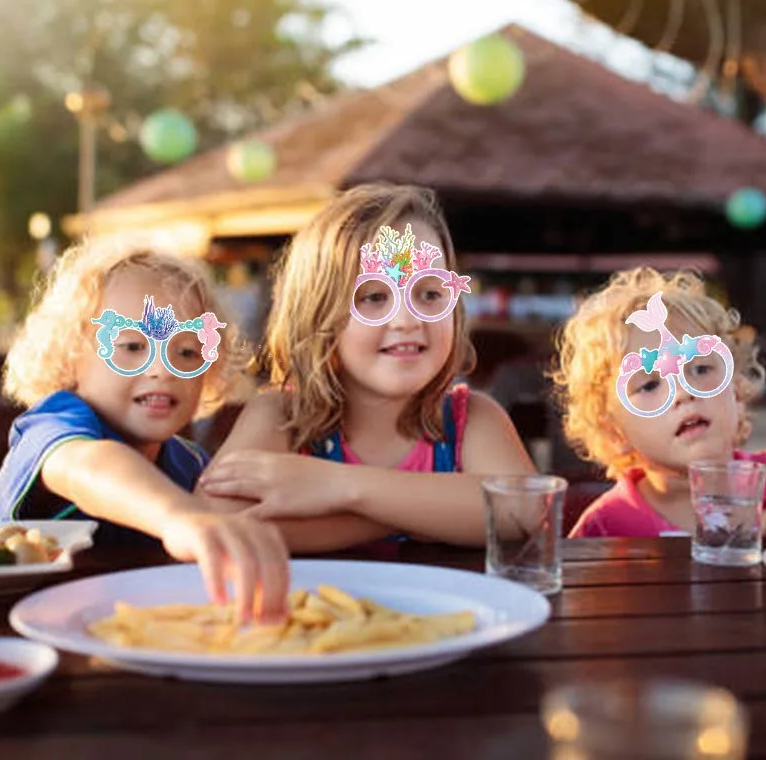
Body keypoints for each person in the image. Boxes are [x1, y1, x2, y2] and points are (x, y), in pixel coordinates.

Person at [196, 182, 535, 552]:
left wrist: (339, 486)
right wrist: (429, 514)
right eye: (373, 296)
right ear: (317, 314)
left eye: (430, 293)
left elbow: (522, 510)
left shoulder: (470, 419)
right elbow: (219, 518)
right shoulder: (283, 415)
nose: (407, 319)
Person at [0, 236, 288, 622]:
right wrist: (181, 515)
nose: (162, 368)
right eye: (131, 346)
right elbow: (85, 467)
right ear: (70, 358)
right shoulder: (56, 424)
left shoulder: (189, 464)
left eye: (187, 352)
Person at [550, 266, 766, 541]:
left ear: (737, 391)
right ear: (614, 432)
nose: (683, 393)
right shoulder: (605, 530)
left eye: (701, 369)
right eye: (649, 385)